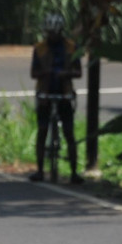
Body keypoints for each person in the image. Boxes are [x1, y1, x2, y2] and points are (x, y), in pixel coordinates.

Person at [29, 13, 83, 183]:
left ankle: (74, 172)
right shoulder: (39, 48)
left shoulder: (71, 47)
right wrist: (44, 73)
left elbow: (78, 72)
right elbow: (33, 73)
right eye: (49, 33)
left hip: (64, 93)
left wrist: (65, 74)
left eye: (55, 33)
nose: (52, 36)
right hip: (45, 93)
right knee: (42, 130)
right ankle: (39, 170)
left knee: (69, 132)